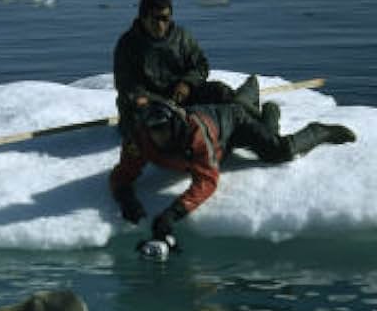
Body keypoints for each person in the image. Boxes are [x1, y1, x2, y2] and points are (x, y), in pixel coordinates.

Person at [109, 75, 356, 243]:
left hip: (232, 125)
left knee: (279, 150)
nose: (158, 136)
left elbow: (207, 180)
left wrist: (173, 213)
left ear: (173, 123)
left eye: (162, 129)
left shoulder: (195, 134)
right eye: (152, 130)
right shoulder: (140, 139)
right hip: (218, 132)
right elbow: (122, 174)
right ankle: (262, 109)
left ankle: (319, 130)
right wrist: (126, 199)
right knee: (254, 120)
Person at [113, 0, 235, 136]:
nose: (161, 25)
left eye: (165, 18)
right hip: (148, 104)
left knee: (221, 93)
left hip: (181, 98)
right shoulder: (128, 44)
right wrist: (155, 101)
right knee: (145, 121)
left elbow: (200, 66)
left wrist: (187, 84)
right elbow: (126, 84)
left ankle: (236, 122)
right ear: (143, 18)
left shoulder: (181, 37)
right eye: (155, 19)